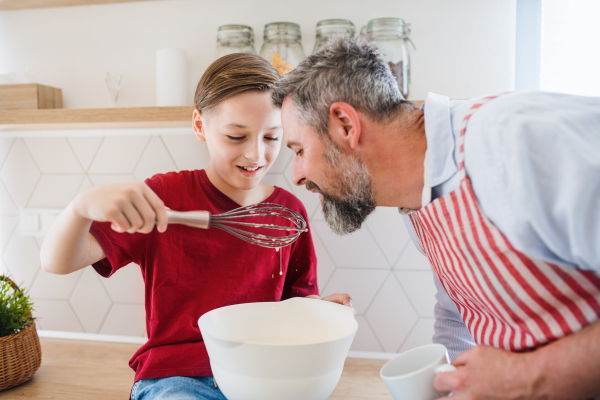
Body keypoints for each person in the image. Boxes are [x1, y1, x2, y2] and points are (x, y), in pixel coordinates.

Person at [270, 36, 600, 400]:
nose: (297, 175)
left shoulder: (514, 139)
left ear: (346, 125)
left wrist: (528, 376)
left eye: (299, 150)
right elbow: (458, 313)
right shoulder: (419, 195)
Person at [40, 53, 351, 400]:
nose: (255, 155)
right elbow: (57, 262)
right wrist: (80, 208)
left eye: (271, 138)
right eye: (236, 136)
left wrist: (321, 312)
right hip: (178, 378)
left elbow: (297, 306)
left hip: (262, 376)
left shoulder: (287, 214)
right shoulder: (162, 197)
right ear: (200, 126)